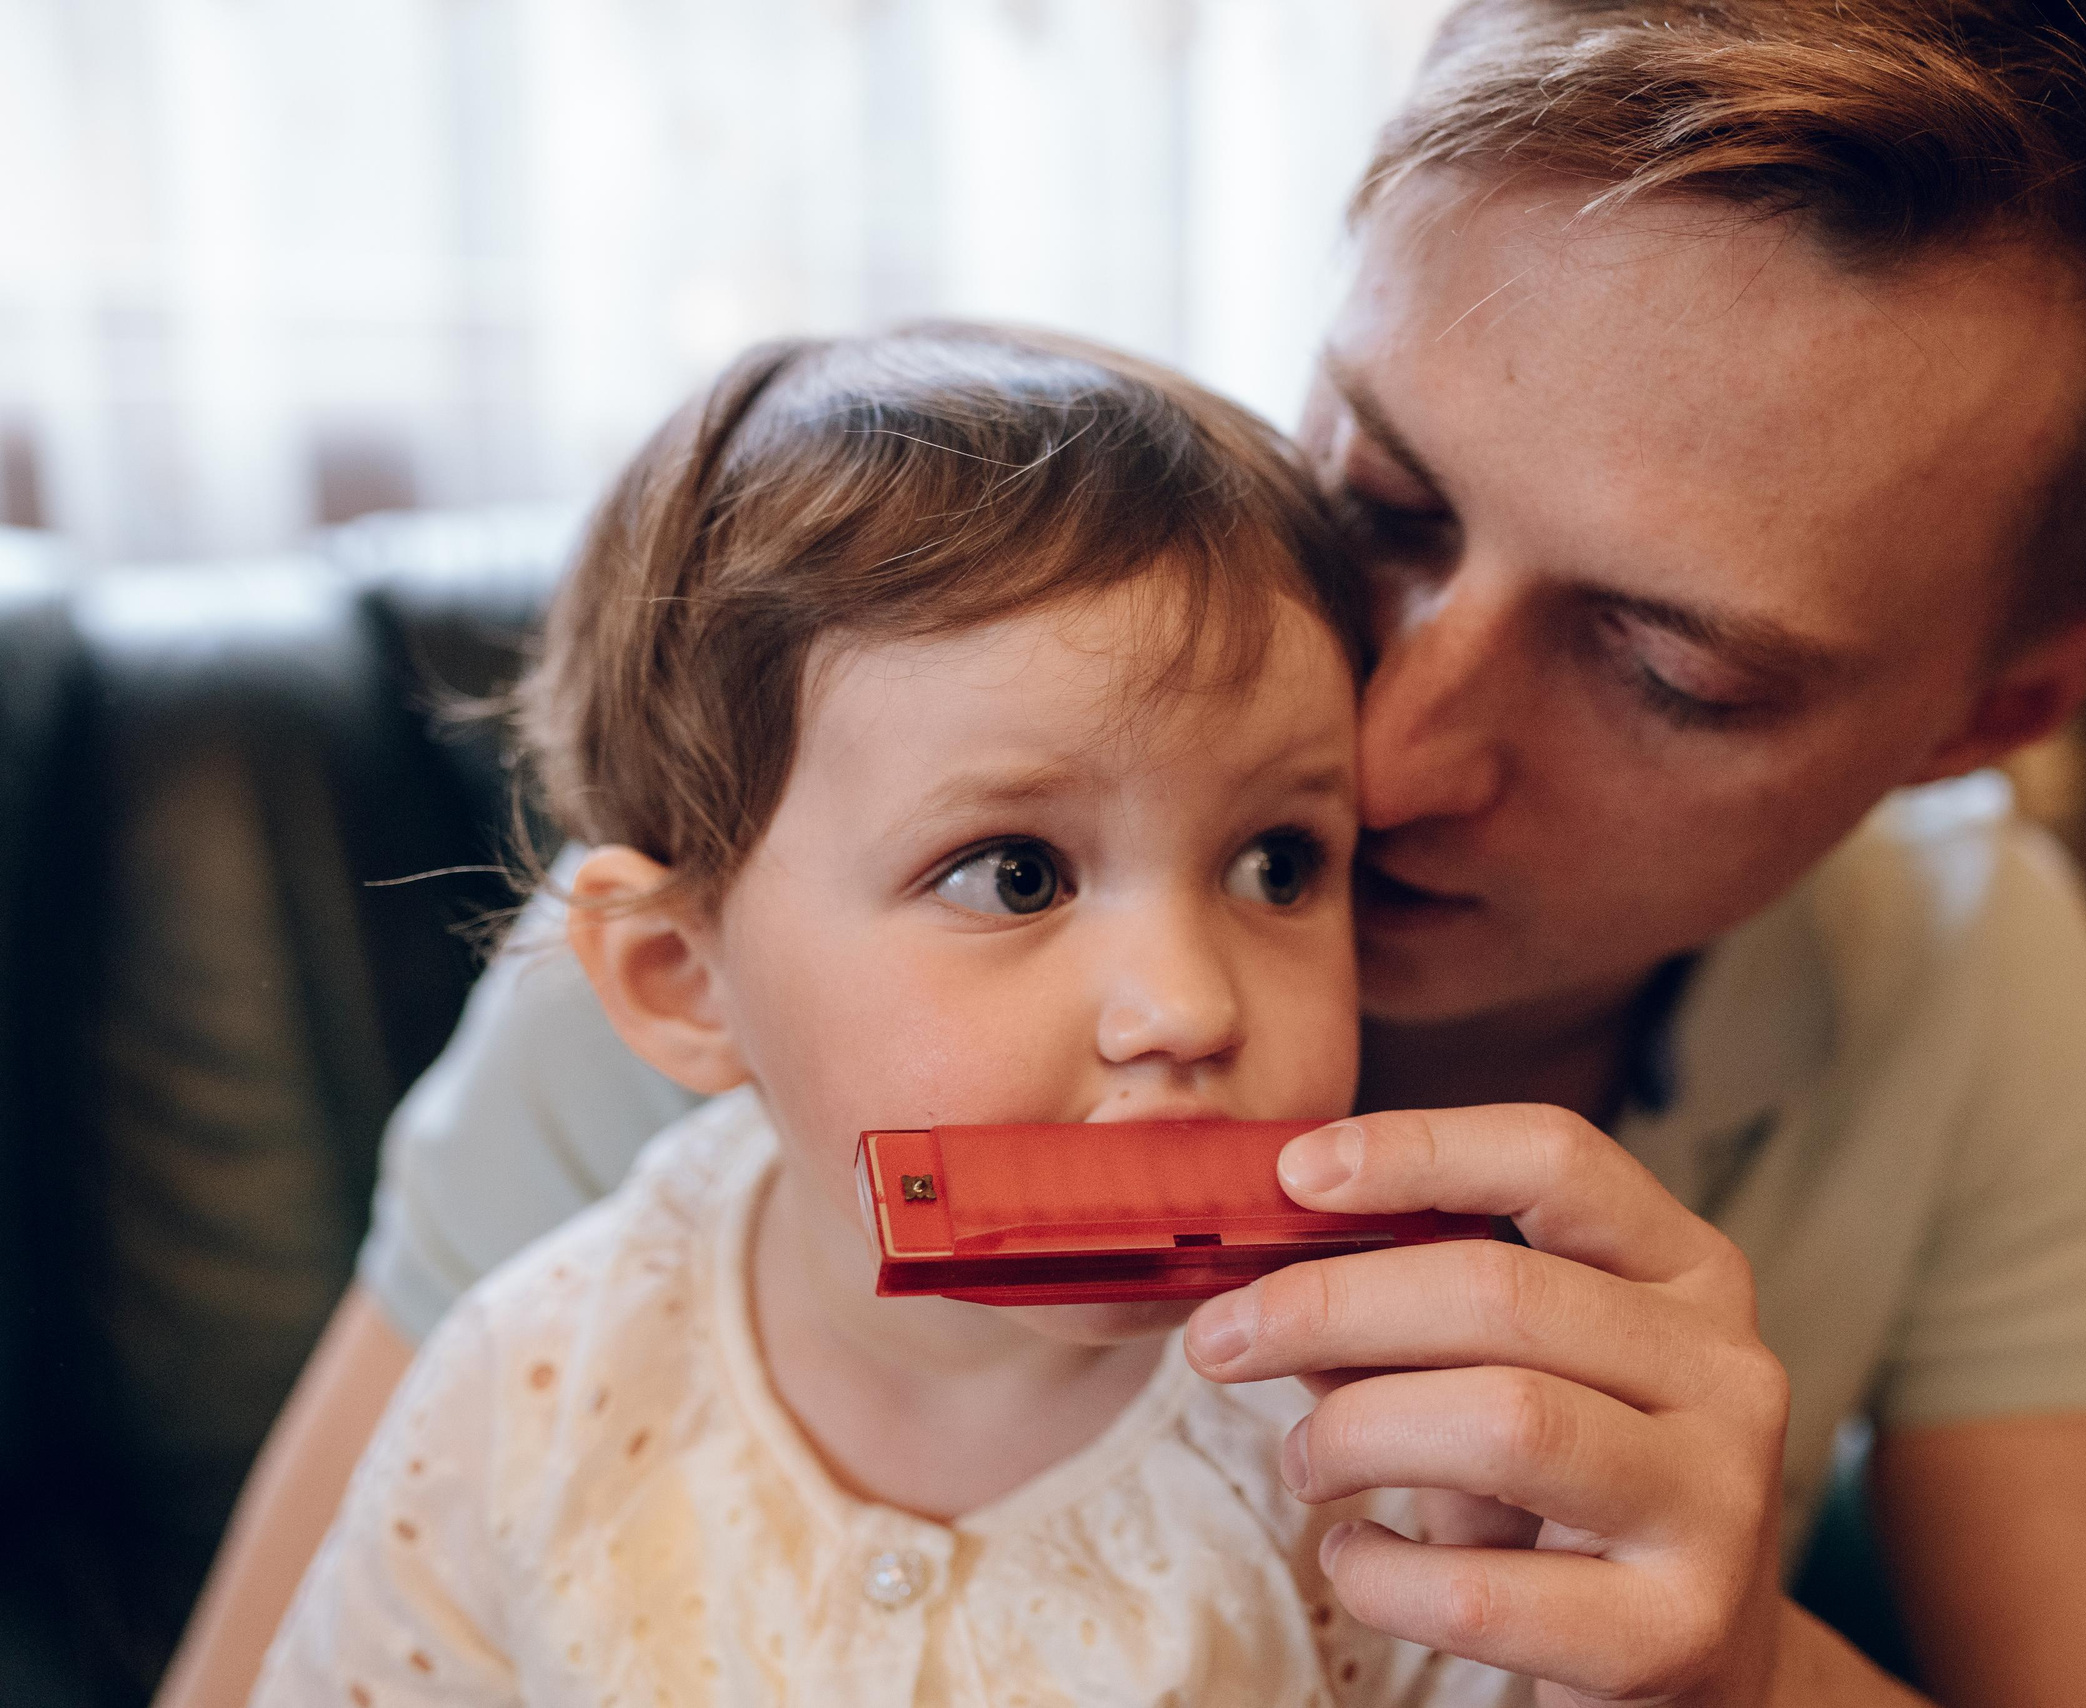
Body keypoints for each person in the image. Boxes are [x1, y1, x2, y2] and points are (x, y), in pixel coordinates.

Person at [163, 3, 2086, 1705]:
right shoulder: (750, 943)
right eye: (1388, 499)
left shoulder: (1959, 959)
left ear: (1988, 715)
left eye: (1670, 667)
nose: (1392, 746)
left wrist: (1752, 1671)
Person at [254, 323, 1515, 1702]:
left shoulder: (1379, 1447)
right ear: (685, 980)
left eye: (1277, 862)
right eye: (1014, 873)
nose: (1190, 1005)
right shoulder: (529, 1399)